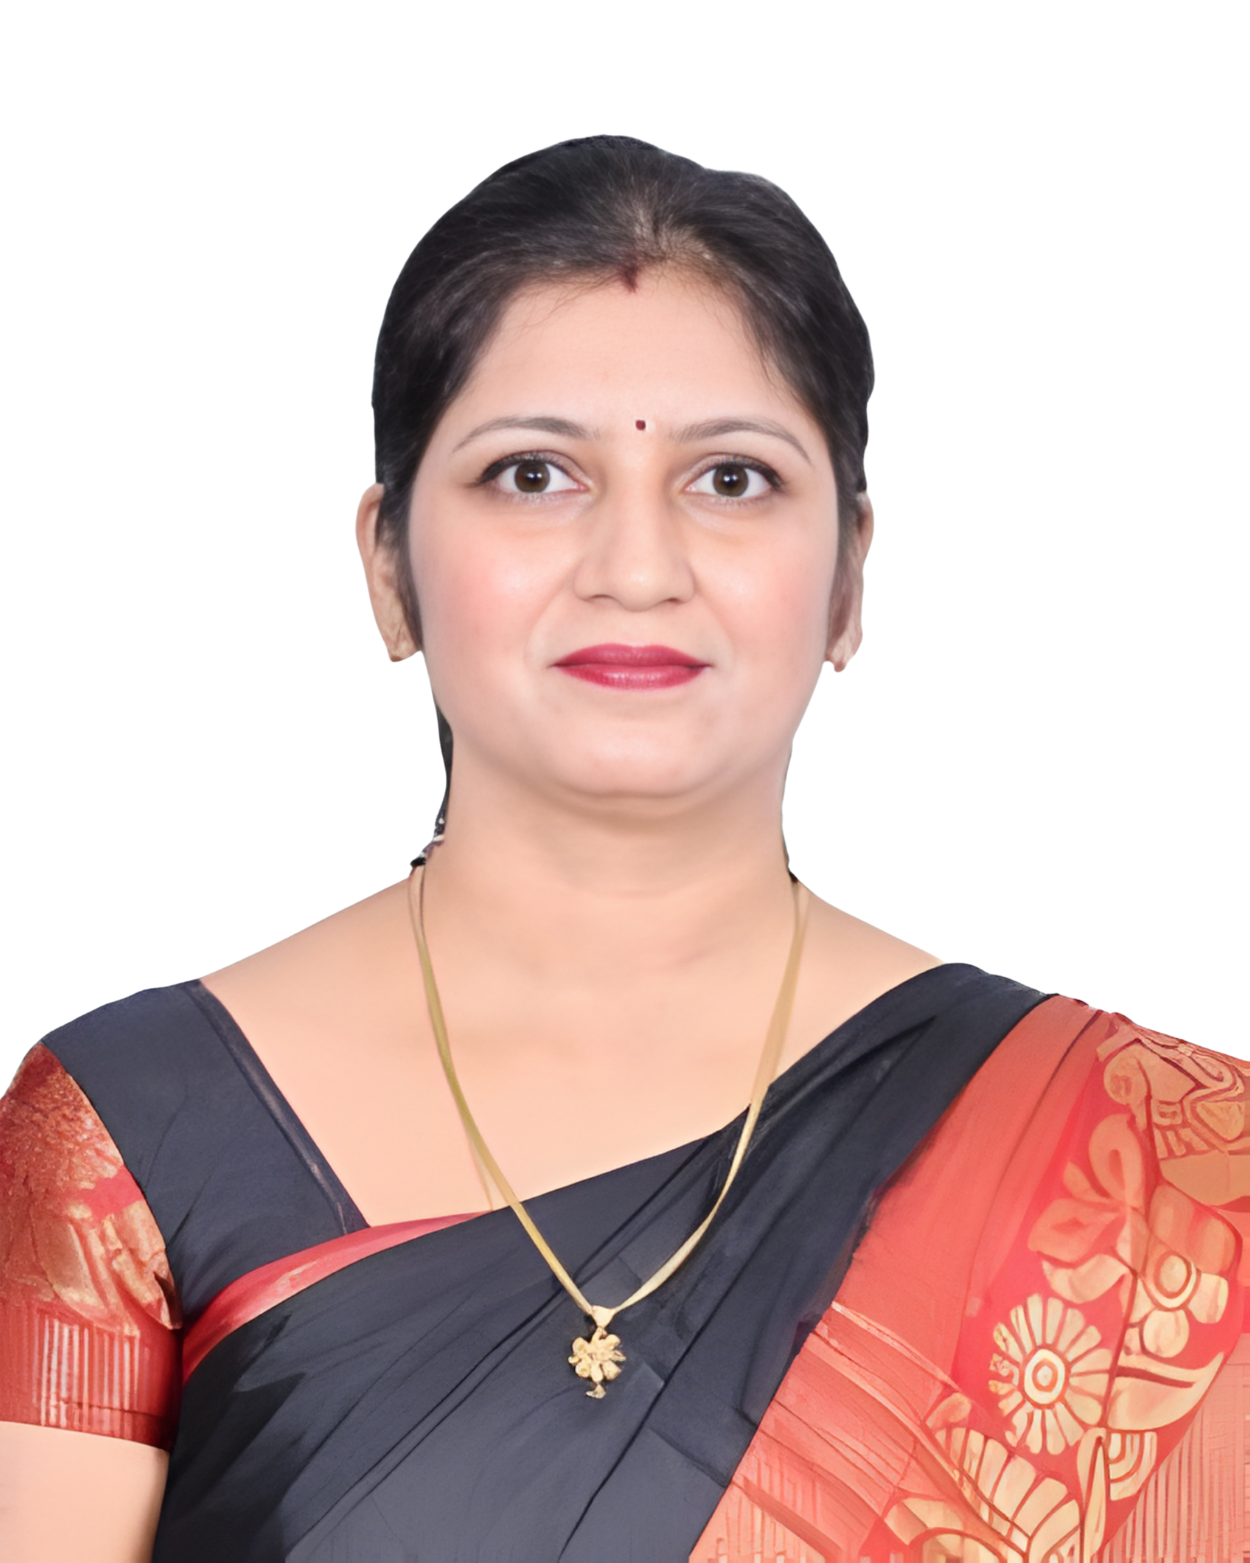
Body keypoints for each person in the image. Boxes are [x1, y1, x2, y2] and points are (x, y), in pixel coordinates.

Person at [0, 135, 1245, 1563]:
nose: (637, 567)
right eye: (533, 474)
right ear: (388, 566)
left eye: (733, 479)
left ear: (848, 577)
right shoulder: (125, 1142)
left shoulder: (1166, 1171)